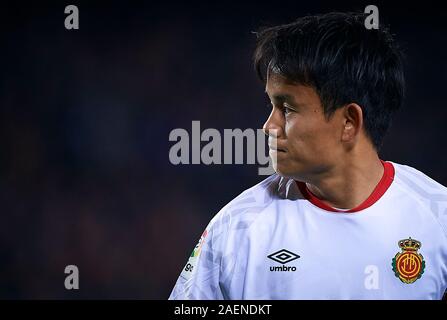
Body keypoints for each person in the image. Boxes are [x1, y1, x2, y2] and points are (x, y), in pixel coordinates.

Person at [169, 12, 447, 299]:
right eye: (271, 106)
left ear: (349, 122)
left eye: (286, 108)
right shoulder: (237, 229)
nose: (269, 126)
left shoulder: (439, 218)